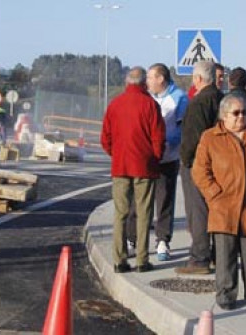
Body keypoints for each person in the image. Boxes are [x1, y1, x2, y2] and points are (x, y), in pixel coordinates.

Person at [192, 94, 246, 310]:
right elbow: (200, 170)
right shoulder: (210, 137)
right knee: (225, 256)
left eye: (244, 113)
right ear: (224, 116)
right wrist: (214, 194)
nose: (241, 117)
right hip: (223, 208)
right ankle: (226, 295)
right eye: (236, 113)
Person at [100, 66, 166, 273]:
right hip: (144, 166)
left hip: (120, 166)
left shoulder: (115, 104)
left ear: (127, 83)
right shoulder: (150, 105)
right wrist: (154, 157)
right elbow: (158, 137)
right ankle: (141, 260)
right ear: (143, 83)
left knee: (120, 213)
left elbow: (105, 138)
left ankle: (119, 260)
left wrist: (116, 153)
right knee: (144, 212)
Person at [123, 63, 189, 261]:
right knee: (139, 201)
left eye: (150, 77)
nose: (147, 81)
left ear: (161, 79)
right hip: (146, 159)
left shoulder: (180, 98)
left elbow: (181, 128)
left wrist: (165, 143)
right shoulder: (146, 97)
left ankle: (162, 240)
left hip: (168, 158)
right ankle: (132, 239)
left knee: (165, 200)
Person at [176, 60, 224, 275]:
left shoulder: (198, 103)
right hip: (219, 162)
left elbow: (192, 138)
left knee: (198, 211)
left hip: (198, 163)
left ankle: (199, 258)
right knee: (214, 209)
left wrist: (185, 160)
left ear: (197, 79)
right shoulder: (221, 100)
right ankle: (216, 255)